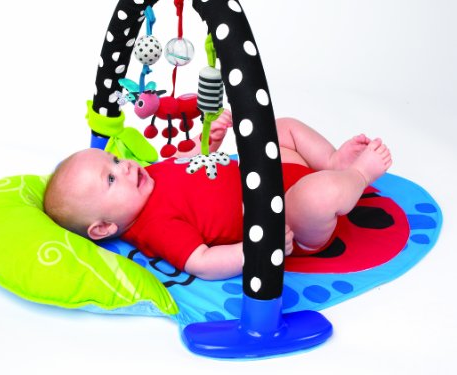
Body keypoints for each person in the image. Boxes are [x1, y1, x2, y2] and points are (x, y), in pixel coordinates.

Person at [44, 115, 392, 280]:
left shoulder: (147, 176)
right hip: (288, 213)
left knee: (280, 127)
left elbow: (190, 160)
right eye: (110, 179)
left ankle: (331, 161)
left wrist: (209, 140)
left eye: (115, 160)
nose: (125, 167)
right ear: (103, 227)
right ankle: (359, 175)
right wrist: (260, 247)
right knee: (319, 195)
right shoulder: (154, 226)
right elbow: (202, 262)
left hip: (267, 169)